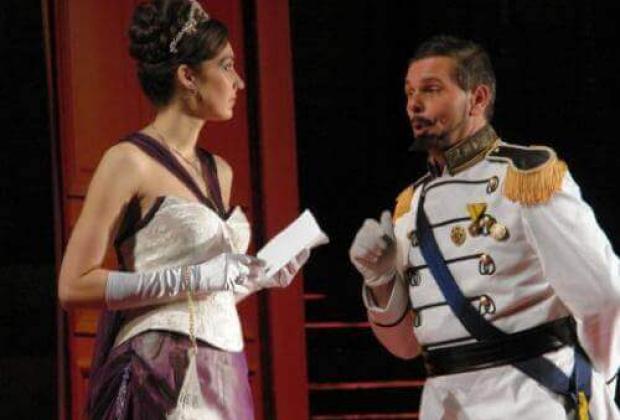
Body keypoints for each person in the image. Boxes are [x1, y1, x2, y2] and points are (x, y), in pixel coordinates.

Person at [57, 1, 309, 418]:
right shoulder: (128, 161)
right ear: (188, 76)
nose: (238, 81)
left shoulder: (220, 171)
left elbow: (202, 298)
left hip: (222, 365)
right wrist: (196, 277)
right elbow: (73, 286)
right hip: (158, 366)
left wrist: (254, 277)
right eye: (226, 66)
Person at [349, 35, 620, 419]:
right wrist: (379, 279)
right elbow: (406, 346)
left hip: (529, 400)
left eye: (431, 89)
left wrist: (593, 381)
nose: (414, 104)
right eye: (409, 92)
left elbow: (605, 295)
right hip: (446, 405)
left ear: (477, 98)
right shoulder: (410, 205)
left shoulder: (525, 178)